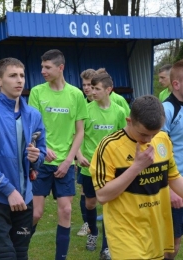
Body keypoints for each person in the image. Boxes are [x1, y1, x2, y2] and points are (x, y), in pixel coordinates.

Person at [0, 57, 47, 260]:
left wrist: (36, 157)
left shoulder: (33, 114)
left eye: (21, 75)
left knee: (21, 255)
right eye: (12, 76)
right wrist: (8, 190)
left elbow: (42, 151)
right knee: (2, 257)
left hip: (24, 201)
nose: (19, 80)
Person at [90, 95, 183, 260]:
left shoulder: (163, 140)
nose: (148, 140)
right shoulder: (109, 146)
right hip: (125, 232)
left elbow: (174, 178)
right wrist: (137, 167)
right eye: (143, 134)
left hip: (155, 229)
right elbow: (103, 196)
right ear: (129, 121)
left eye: (153, 135)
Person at [28, 49, 88, 260]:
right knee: (35, 213)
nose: (42, 70)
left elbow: (80, 131)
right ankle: (20, 248)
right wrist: (43, 148)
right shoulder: (36, 92)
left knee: (66, 211)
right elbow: (31, 127)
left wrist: (70, 160)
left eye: (47, 67)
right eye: (42, 66)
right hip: (41, 163)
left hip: (65, 164)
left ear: (60, 68)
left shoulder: (76, 94)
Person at [76, 71, 126, 259]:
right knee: (90, 204)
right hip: (88, 166)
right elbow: (78, 135)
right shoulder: (86, 110)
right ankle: (93, 233)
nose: (92, 92)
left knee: (108, 205)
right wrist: (78, 155)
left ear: (108, 90)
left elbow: (123, 138)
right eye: (91, 88)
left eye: (97, 89)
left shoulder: (119, 112)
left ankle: (106, 246)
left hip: (110, 168)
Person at [162, 60, 183, 260]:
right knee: (173, 245)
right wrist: (168, 189)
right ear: (176, 84)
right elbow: (156, 155)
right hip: (175, 187)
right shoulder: (167, 110)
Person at [76, 68, 95, 237]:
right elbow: (77, 133)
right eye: (84, 85)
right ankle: (87, 225)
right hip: (86, 161)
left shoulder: (117, 103)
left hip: (108, 162)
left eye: (90, 85)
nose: (87, 88)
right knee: (85, 193)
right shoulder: (82, 104)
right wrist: (78, 155)